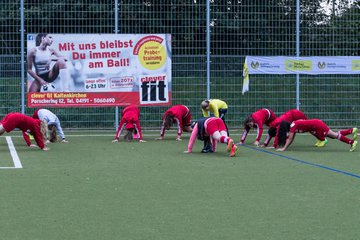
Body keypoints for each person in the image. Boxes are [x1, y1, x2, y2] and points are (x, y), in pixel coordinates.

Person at [276, 119, 358, 152]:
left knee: (334, 135)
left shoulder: (293, 126)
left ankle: (352, 142)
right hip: (316, 126)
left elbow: (290, 138)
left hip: (317, 125)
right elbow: (291, 138)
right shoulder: (293, 126)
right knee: (333, 135)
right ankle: (352, 131)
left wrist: (283, 148)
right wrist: (285, 147)